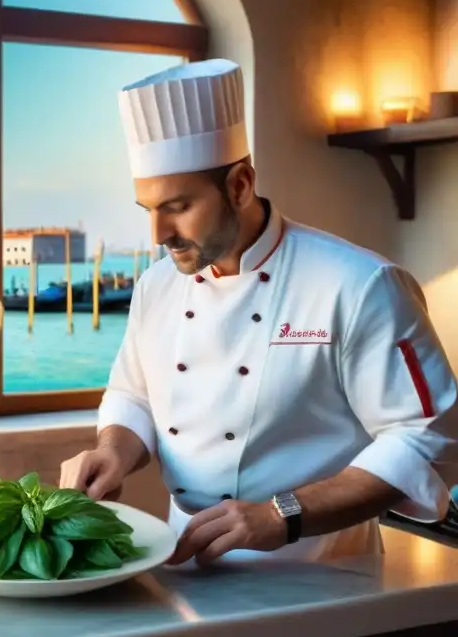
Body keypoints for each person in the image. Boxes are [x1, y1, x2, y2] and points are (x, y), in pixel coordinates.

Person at [59, 58, 458, 565]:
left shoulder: (360, 286)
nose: (157, 234)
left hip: (320, 578)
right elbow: (132, 393)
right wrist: (113, 452)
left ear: (241, 185)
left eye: (177, 207)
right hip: (185, 564)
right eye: (148, 210)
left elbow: (428, 436)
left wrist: (281, 514)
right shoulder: (155, 286)